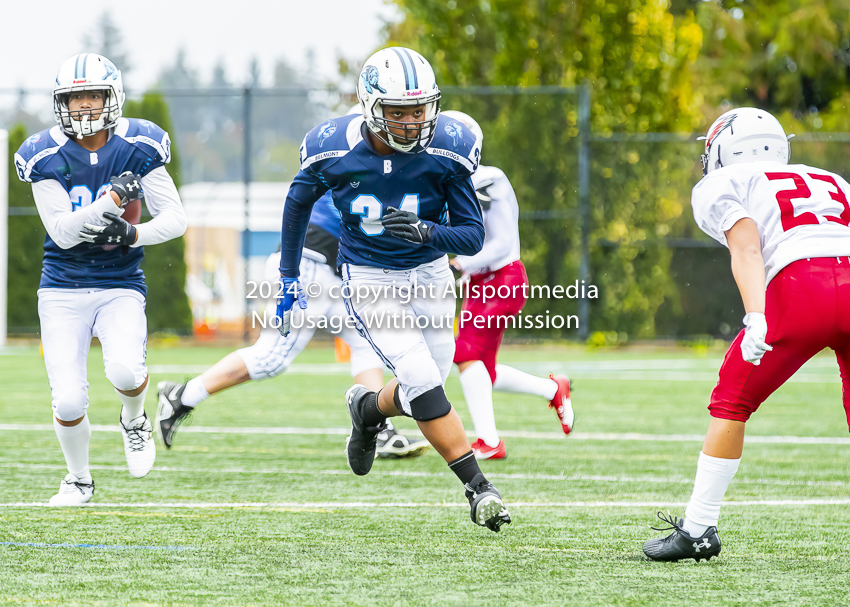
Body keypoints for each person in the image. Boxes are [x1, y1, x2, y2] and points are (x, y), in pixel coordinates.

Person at [276, 47, 511, 531]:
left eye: (418, 109)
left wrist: (427, 232)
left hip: (429, 275)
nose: (410, 122)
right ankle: (477, 487)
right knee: (422, 377)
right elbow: (297, 203)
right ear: (370, 107)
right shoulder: (333, 147)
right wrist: (289, 274)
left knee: (426, 383)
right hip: (369, 278)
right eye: (397, 111)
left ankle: (366, 410)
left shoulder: (447, 147)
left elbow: (470, 236)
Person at [643, 107, 850, 561]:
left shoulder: (722, 182)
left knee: (732, 401)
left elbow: (747, 244)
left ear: (724, 147)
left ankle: (698, 529)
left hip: (802, 288)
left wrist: (757, 314)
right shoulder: (830, 178)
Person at [13, 53, 187, 505]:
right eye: (74, 98)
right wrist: (109, 201)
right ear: (61, 104)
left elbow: (175, 220)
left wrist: (133, 232)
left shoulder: (139, 144)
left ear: (112, 97)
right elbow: (64, 234)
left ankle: (134, 419)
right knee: (68, 401)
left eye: (93, 95)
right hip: (62, 288)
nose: (85, 106)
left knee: (126, 371)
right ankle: (79, 479)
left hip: (120, 283)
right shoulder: (44, 154)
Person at [155, 192, 428, 459]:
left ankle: (376, 428)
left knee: (368, 339)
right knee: (271, 357)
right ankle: (181, 396)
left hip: (325, 269)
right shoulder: (351, 160)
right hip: (307, 263)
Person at [441, 111, 575, 460]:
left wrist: (459, 264)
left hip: (504, 278)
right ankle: (552, 388)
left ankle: (488, 441)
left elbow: (500, 246)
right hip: (479, 283)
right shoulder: (451, 183)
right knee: (483, 369)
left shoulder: (489, 178)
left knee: (466, 355)